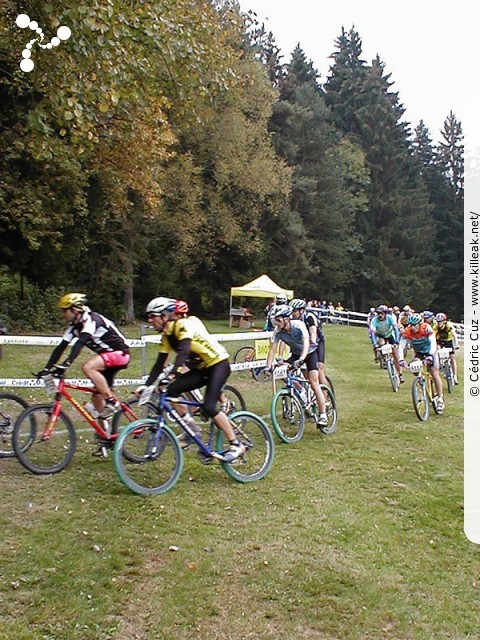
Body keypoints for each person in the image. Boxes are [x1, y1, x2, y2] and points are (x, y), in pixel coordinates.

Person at [141, 296, 245, 462]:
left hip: (218, 364)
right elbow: (159, 363)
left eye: (153, 316)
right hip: (202, 368)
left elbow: (183, 351)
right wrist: (145, 385)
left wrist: (173, 373)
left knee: (209, 406)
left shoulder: (184, 325)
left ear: (165, 316)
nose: (150, 320)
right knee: (171, 391)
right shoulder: (167, 336)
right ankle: (191, 428)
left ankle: (236, 444)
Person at [41, 292, 131, 419]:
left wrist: (67, 363)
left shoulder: (91, 319)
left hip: (120, 354)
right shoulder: (74, 327)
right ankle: (106, 435)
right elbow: (60, 348)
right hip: (107, 359)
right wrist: (46, 368)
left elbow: (80, 342)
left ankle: (112, 402)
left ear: (74, 310)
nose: (63, 314)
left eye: (64, 311)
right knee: (97, 397)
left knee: (88, 367)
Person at [264, 304, 328, 427]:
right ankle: (301, 392)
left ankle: (323, 415)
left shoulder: (299, 325)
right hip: (295, 354)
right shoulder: (277, 332)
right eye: (274, 320)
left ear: (287, 319)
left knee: (313, 382)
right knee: (282, 372)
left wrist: (302, 359)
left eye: (278, 320)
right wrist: (268, 366)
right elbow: (272, 350)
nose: (276, 323)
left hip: (309, 353)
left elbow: (306, 343)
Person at [403, 312, 445, 413]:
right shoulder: (408, 331)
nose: (412, 327)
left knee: (434, 372)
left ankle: (440, 398)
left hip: (431, 351)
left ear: (419, 324)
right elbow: (402, 345)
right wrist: (401, 359)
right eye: (411, 325)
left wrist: (430, 355)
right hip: (419, 353)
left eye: (414, 325)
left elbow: (433, 342)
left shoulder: (427, 328)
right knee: (415, 368)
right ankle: (421, 385)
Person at [289, 298, 330, 388]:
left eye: (295, 311)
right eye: (292, 311)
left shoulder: (309, 317)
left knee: (319, 367)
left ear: (302, 311)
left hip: (317, 343)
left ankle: (325, 396)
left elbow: (313, 334)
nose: (293, 313)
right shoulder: (292, 320)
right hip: (304, 345)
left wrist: (312, 344)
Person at [369, 304, 404, 382]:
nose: (380, 315)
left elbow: (395, 329)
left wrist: (397, 341)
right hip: (380, 335)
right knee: (381, 343)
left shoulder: (390, 318)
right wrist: (375, 345)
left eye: (382, 313)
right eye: (378, 313)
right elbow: (373, 334)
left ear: (385, 314)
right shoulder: (374, 320)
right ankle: (384, 359)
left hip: (389, 335)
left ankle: (400, 374)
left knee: (395, 355)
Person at [435, 312, 459, 385]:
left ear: (444, 321)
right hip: (440, 341)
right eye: (438, 321)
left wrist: (456, 344)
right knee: (437, 351)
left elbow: (454, 335)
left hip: (449, 341)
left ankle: (454, 376)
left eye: (440, 321)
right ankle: (441, 365)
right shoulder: (435, 327)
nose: (439, 323)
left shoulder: (449, 326)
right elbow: (433, 335)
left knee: (452, 358)